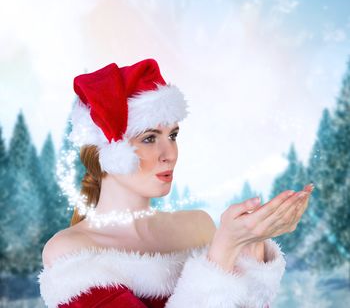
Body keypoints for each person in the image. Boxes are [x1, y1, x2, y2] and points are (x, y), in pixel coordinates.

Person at [37, 58, 313, 307]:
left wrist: (251, 249)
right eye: (149, 138)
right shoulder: (71, 252)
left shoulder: (197, 225)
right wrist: (224, 251)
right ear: (109, 152)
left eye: (173, 135)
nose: (169, 154)